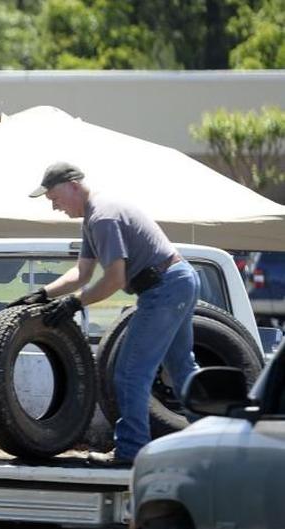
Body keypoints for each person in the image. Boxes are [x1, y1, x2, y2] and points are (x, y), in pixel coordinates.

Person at [15, 161, 199, 465]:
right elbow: (82, 273)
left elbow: (115, 279)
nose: (54, 207)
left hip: (165, 288)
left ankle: (131, 451)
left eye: (55, 199)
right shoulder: (93, 217)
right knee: (181, 368)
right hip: (177, 281)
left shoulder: (103, 217)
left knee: (128, 373)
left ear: (73, 185)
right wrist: (44, 294)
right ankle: (214, 438)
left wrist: (75, 303)